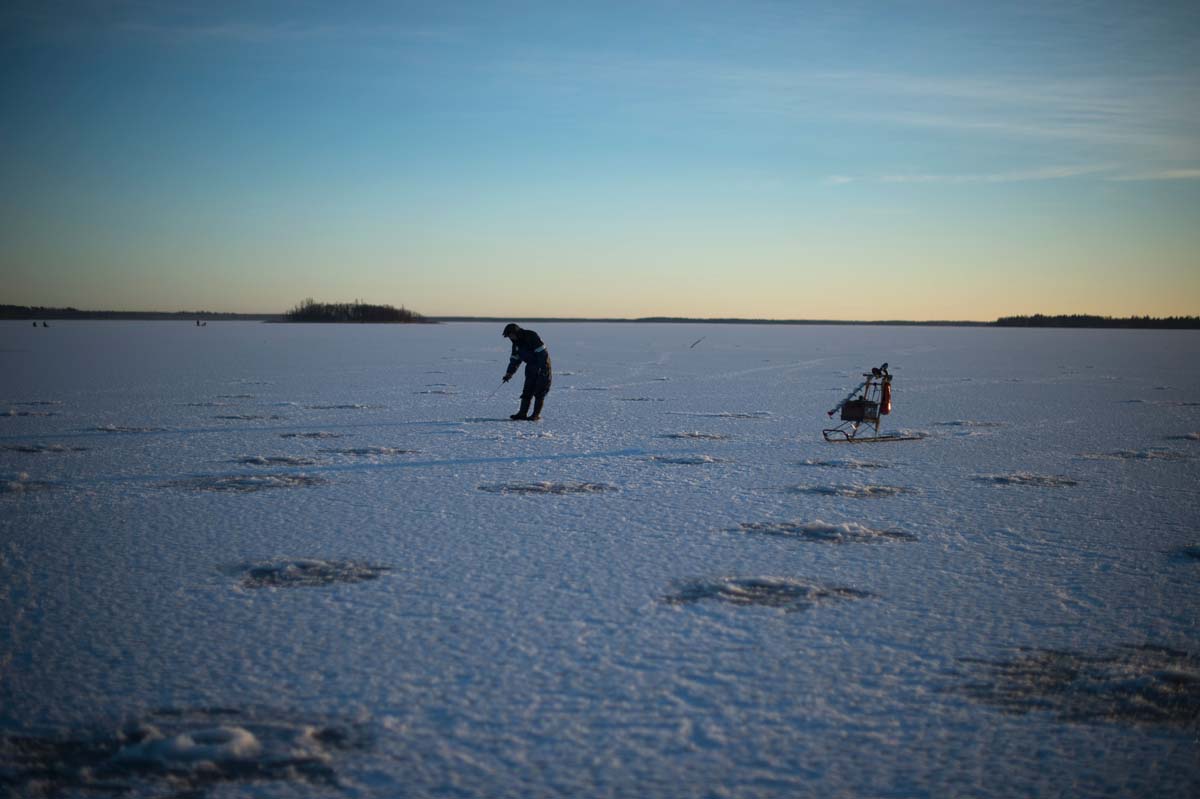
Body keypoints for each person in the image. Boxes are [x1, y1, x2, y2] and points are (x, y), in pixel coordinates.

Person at [501, 323, 552, 420]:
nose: (510, 338)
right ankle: (522, 413)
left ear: (516, 332)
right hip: (530, 367)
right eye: (508, 336)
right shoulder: (516, 344)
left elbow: (543, 354)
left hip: (543, 366)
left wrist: (543, 369)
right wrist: (509, 373)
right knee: (527, 390)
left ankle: (535, 415)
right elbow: (515, 359)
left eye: (511, 335)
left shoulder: (531, 336)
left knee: (539, 392)